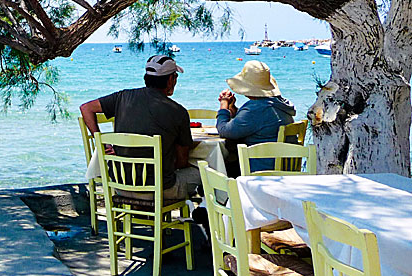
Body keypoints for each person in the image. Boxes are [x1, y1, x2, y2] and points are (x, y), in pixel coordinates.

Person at [80, 54, 199, 201]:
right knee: (203, 174)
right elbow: (181, 161)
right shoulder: (178, 111)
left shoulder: (122, 97)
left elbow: (86, 108)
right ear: (170, 80)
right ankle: (215, 219)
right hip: (159, 190)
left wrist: (101, 142)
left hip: (120, 185)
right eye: (175, 77)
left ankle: (142, 209)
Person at [216, 60, 297, 174]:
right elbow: (250, 123)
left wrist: (223, 105)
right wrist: (232, 107)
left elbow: (224, 130)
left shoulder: (255, 109)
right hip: (284, 167)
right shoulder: (278, 104)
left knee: (216, 169)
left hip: (261, 169)